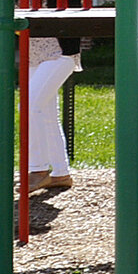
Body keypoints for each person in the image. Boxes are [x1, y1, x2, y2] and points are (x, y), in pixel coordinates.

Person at [28, 33, 82, 191]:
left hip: (61, 54)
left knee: (29, 107)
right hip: (35, 56)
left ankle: (38, 169)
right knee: (47, 114)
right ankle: (61, 172)